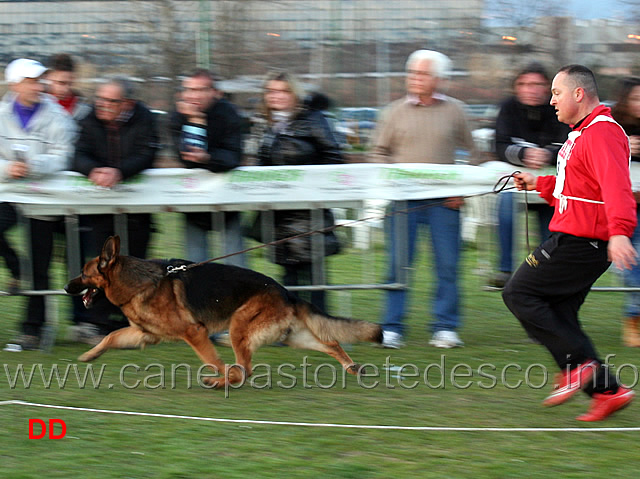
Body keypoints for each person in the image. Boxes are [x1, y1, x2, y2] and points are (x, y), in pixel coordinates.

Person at [503, 65, 636, 421]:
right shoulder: (584, 132)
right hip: (582, 237)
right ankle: (608, 392)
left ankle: (577, 367)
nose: (551, 101)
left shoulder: (602, 133)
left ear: (579, 94)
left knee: (518, 293)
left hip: (581, 240)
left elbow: (616, 187)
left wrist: (621, 231)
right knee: (560, 314)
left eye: (556, 93)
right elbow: (576, 188)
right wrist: (538, 184)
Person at [369, 49, 477, 349]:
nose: (415, 78)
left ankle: (445, 327)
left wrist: (463, 189)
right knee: (398, 265)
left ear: (439, 79)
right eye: (412, 72)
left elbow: (475, 152)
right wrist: (392, 179)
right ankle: (392, 327)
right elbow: (378, 152)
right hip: (403, 202)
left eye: (422, 73)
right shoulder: (393, 112)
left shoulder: (456, 111)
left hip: (445, 202)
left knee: (447, 265)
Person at [250, 70, 344, 313]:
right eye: (271, 91)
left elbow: (334, 156)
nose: (276, 96)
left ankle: (321, 326)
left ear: (294, 93)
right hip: (280, 213)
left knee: (315, 276)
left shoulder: (313, 119)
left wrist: (307, 181)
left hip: (308, 213)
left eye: (283, 91)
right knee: (288, 275)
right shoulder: (264, 124)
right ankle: (291, 326)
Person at [72, 76, 159, 338]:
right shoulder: (89, 119)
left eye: (111, 101)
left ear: (127, 103)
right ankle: (97, 322)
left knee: (134, 265)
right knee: (100, 266)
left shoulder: (145, 118)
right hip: (100, 207)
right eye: (100, 98)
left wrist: (119, 172)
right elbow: (78, 153)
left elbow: (147, 153)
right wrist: (92, 170)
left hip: (136, 207)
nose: (103, 105)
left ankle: (135, 322)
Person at [0, 58, 75, 351]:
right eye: (31, 81)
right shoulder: (2, 114)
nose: (38, 86)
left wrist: (34, 165)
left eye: (40, 80)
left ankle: (32, 329)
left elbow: (64, 155)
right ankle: (16, 267)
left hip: (44, 199)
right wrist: (9, 169)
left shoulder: (57, 116)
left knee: (40, 266)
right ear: (14, 84)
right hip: (8, 193)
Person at [488, 63, 570, 289]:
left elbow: (570, 143)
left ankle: (547, 273)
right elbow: (499, 145)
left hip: (550, 184)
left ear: (548, 88)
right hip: (518, 182)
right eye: (523, 84)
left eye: (536, 84)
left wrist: (547, 155)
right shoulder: (507, 108)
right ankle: (505, 268)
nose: (530, 89)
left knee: (551, 229)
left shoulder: (559, 108)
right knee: (504, 203)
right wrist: (525, 154)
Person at [169, 69, 246, 267]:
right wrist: (195, 120)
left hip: (228, 200)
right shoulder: (177, 116)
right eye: (188, 89)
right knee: (196, 267)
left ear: (214, 92)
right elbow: (187, 157)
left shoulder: (229, 114)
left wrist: (207, 158)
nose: (193, 95)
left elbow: (233, 156)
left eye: (199, 90)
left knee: (237, 266)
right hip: (194, 201)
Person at [611, 77, 640, 347]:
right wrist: (624, 148)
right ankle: (633, 318)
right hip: (622, 208)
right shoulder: (612, 127)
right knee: (631, 266)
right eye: (635, 98)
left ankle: (634, 318)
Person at [45, 53, 91, 122]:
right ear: (49, 78)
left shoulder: (85, 110)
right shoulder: (38, 106)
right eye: (61, 83)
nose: (66, 89)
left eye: (70, 84)